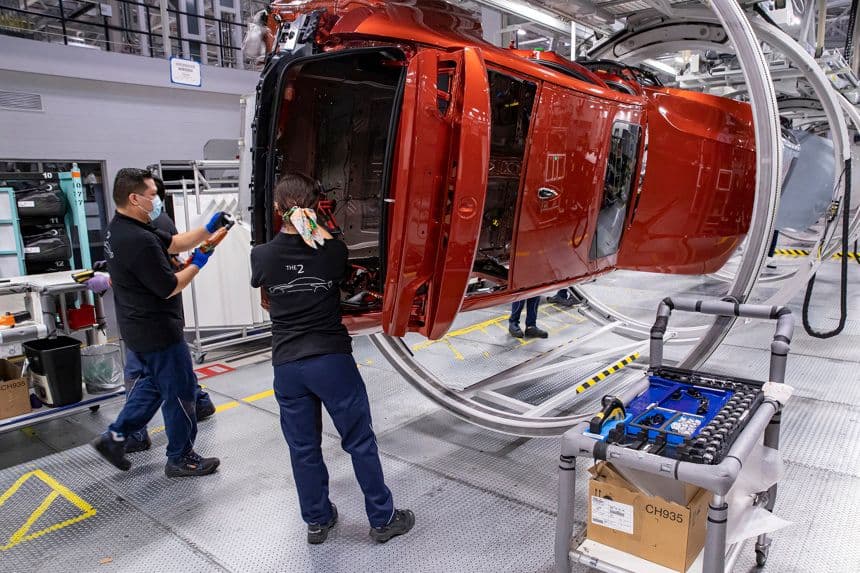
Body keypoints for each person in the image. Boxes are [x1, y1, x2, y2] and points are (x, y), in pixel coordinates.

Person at [250, 173, 414, 545]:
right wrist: (315, 228)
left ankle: (317, 520)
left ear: (277, 209)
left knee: (303, 448)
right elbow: (334, 264)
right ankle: (382, 518)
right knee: (358, 441)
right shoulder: (333, 251)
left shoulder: (260, 256)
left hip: (287, 365)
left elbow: (266, 281)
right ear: (316, 207)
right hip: (330, 361)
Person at [90, 168, 232, 478]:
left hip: (136, 328)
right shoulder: (138, 239)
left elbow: (176, 243)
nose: (157, 201)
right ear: (134, 197)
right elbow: (171, 286)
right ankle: (181, 457)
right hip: (158, 330)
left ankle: (115, 437)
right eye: (153, 195)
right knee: (180, 391)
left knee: (151, 387)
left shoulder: (122, 226)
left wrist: (210, 227)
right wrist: (202, 258)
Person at [122, 176, 216, 454]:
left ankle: (142, 437)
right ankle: (197, 404)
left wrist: (198, 261)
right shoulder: (136, 227)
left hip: (154, 321)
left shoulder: (155, 225)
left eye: (153, 192)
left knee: (151, 378)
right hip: (152, 321)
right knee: (166, 377)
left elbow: (168, 276)